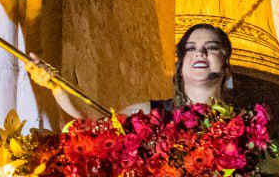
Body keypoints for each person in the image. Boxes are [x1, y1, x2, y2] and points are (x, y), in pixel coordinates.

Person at [26, 23, 235, 120]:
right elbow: (91, 135)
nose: (200, 52)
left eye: (212, 47)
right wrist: (57, 88)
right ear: (180, 67)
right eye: (190, 48)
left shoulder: (246, 130)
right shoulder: (144, 114)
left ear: (226, 66)